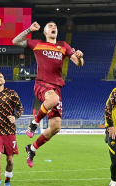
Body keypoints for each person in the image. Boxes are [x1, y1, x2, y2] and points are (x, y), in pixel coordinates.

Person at [11, 21, 84, 167]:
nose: (53, 28)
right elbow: (15, 41)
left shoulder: (63, 45)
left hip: (56, 87)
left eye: (55, 26)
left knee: (56, 127)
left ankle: (31, 148)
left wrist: (80, 56)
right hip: (42, 84)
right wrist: (29, 29)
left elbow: (78, 63)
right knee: (53, 99)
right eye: (50, 26)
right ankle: (34, 124)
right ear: (44, 32)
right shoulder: (37, 44)